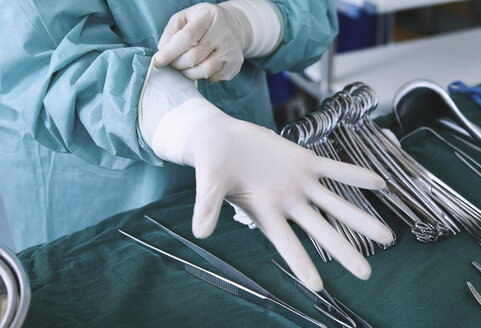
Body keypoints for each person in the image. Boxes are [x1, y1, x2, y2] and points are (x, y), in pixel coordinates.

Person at [0, 0, 392, 292]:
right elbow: (48, 61)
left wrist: (247, 22)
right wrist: (188, 124)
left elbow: (312, 10)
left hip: (252, 164)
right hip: (101, 194)